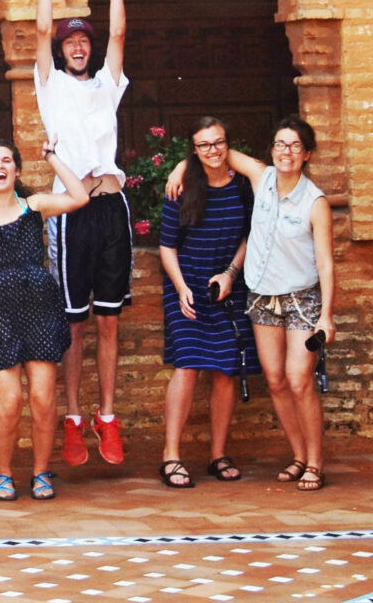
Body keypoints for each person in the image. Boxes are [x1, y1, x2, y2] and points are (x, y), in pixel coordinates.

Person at [170, 116, 334, 490]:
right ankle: (298, 456)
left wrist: (326, 315)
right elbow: (217, 151)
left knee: (298, 379)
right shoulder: (262, 177)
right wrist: (181, 166)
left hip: (302, 300)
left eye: (295, 146)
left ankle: (315, 461)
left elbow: (326, 263)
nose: (286, 152)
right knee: (275, 380)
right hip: (261, 297)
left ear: (307, 154)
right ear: (271, 150)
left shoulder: (315, 202)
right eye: (280, 144)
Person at [32, 0, 133, 467]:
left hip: (111, 208)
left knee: (109, 320)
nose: (77, 46)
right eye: (70, 41)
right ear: (60, 50)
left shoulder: (106, 85)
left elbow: (118, 33)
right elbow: (40, 29)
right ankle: (73, 419)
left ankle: (106, 417)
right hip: (71, 212)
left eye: (83, 42)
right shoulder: (49, 85)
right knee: (74, 321)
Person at [0, 139, 89, 501]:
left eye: (7, 160)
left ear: (16, 169)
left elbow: (80, 197)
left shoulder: (35, 206)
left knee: (44, 400)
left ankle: (40, 472)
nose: (0, 166)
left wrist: (51, 156)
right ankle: (3, 473)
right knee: (10, 401)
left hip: (40, 309)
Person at [155, 117, 254, 489]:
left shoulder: (243, 186)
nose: (213, 150)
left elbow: (249, 236)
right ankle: (171, 455)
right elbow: (167, 246)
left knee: (226, 370)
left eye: (219, 142)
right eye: (204, 145)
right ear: (194, 150)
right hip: (187, 286)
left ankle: (218, 454)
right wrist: (181, 287)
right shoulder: (181, 188)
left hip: (228, 286)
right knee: (188, 365)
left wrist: (230, 274)